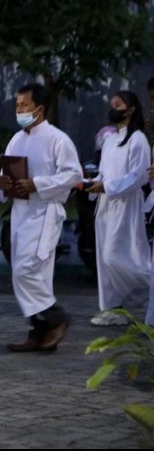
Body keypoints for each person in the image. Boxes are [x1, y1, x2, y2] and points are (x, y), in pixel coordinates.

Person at [0, 83, 82, 352]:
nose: (19, 110)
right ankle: (39, 333)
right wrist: (4, 186)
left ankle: (58, 317)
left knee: (28, 270)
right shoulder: (17, 139)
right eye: (17, 105)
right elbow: (9, 172)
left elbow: (73, 175)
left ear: (40, 108)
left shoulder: (58, 139)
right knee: (27, 273)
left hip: (44, 212)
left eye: (24, 105)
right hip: (21, 211)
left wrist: (38, 184)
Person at [87, 91, 151, 325]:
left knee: (118, 256)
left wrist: (108, 186)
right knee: (104, 259)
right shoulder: (110, 140)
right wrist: (96, 185)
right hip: (105, 205)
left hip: (126, 204)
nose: (113, 108)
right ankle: (112, 308)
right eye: (112, 104)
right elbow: (104, 171)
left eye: (118, 104)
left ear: (131, 109)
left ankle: (148, 289)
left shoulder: (138, 140)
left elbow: (139, 176)